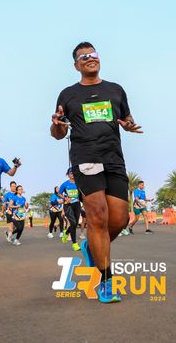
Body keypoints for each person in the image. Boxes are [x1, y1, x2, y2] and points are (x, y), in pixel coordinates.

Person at [51, 42, 143, 303]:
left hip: (114, 159)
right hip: (85, 160)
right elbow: (58, 133)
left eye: (93, 54)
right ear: (76, 65)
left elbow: (126, 119)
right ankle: (106, 282)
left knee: (120, 219)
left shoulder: (115, 90)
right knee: (98, 216)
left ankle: (91, 246)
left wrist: (129, 125)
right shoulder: (68, 94)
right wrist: (57, 125)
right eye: (84, 57)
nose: (90, 58)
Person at [59, 169, 82, 251]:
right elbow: (59, 193)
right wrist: (65, 198)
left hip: (77, 205)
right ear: (68, 174)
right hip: (68, 205)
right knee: (73, 222)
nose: (72, 174)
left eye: (74, 173)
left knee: (75, 224)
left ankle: (66, 232)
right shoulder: (65, 184)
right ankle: (74, 244)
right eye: (71, 173)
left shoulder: (79, 183)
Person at [3, 181, 18, 245]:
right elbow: (4, 203)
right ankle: (10, 238)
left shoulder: (17, 194)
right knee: (11, 225)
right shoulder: (7, 194)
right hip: (9, 211)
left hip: (16, 212)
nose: (14, 187)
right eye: (12, 186)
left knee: (15, 226)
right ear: (10, 187)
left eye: (15, 186)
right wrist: (2, 211)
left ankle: (8, 233)